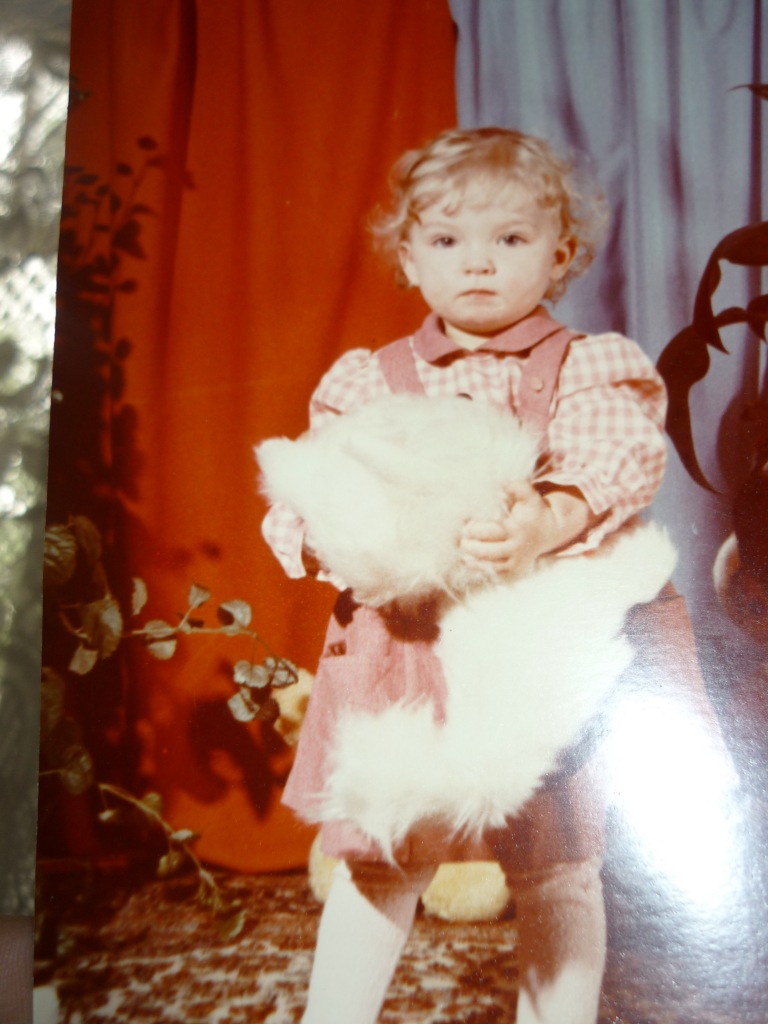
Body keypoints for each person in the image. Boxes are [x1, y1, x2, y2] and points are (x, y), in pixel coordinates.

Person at [261, 127, 675, 1023]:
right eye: (448, 240)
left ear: (560, 254)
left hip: (535, 647)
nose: (477, 263)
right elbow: (312, 481)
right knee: (383, 851)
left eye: (510, 238)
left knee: (558, 862)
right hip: (403, 643)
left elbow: (618, 456)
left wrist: (546, 519)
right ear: (409, 258)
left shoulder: (590, 367)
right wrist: (332, 535)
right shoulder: (367, 380)